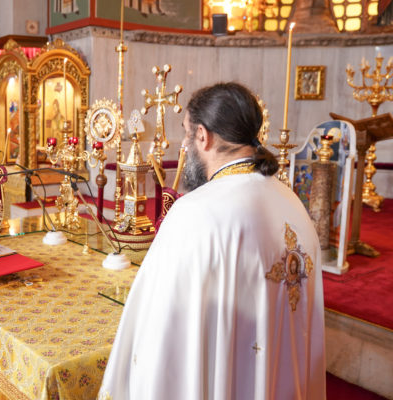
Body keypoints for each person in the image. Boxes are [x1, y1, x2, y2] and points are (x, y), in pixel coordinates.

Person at [98, 82, 325, 400]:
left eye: (186, 134)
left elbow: (158, 330)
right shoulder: (292, 203)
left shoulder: (196, 213)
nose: (185, 145)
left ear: (203, 136)